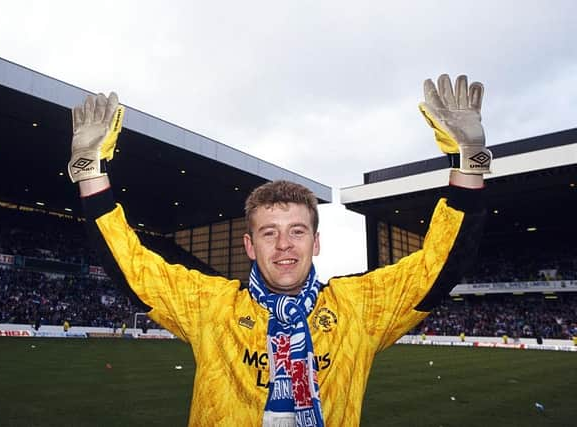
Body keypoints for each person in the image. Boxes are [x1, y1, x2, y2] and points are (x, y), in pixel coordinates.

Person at [69, 74, 488, 426]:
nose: (284, 245)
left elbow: (438, 266)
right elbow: (132, 267)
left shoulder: (357, 309)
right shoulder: (212, 309)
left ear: (317, 242)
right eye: (269, 233)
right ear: (249, 245)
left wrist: (468, 162)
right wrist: (90, 172)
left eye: (297, 231)